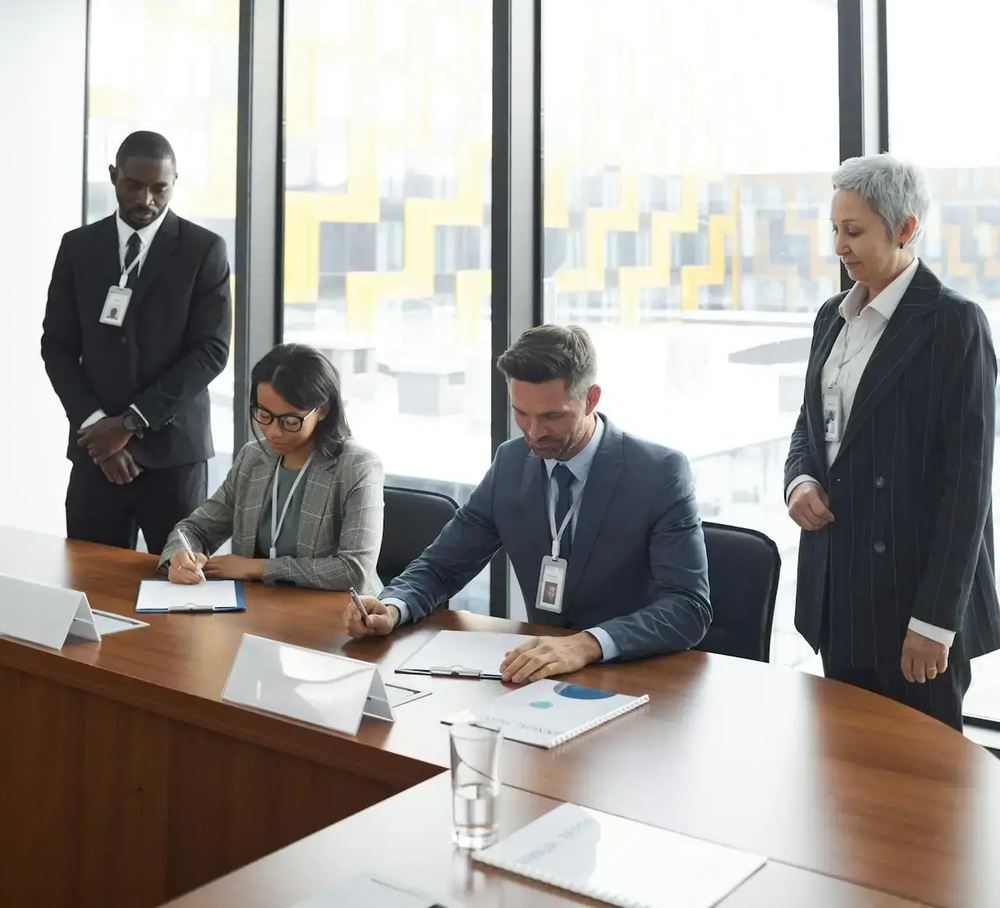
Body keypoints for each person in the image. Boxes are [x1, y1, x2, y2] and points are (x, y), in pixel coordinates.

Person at [344, 324, 711, 682]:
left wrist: (588, 643)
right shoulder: (511, 462)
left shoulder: (659, 472)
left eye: (553, 416)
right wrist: (392, 606)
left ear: (591, 399)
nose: (534, 433)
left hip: (633, 678)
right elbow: (443, 566)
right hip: (537, 675)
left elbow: (687, 607)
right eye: (521, 413)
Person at [785, 154, 1000, 731]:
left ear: (905, 229)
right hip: (840, 586)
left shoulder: (955, 323)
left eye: (853, 231)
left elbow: (968, 486)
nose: (839, 246)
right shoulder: (831, 316)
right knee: (846, 771)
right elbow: (810, 424)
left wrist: (935, 621)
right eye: (834, 229)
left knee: (923, 793)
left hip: (913, 598)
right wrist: (800, 479)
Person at [41, 131, 232, 555]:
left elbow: (211, 352)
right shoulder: (78, 247)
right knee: (91, 587)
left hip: (174, 458)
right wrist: (96, 428)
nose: (146, 198)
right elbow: (56, 346)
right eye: (134, 185)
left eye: (160, 188)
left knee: (180, 595)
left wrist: (128, 424)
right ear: (113, 176)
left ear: (175, 182)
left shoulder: (204, 250)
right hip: (96, 459)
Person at [160, 344, 384, 590]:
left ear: (322, 410)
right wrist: (180, 556)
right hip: (259, 610)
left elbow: (354, 569)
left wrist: (257, 568)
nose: (273, 432)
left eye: (289, 421)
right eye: (264, 415)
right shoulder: (253, 458)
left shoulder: (357, 467)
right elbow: (195, 529)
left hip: (337, 617)